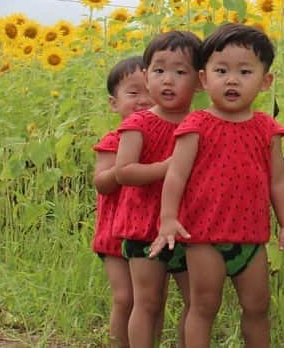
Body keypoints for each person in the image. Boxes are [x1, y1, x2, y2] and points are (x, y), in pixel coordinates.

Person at [150, 23, 284, 348]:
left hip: (252, 238)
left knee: (257, 307)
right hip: (205, 237)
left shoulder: (267, 129)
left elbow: (278, 181)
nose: (232, 79)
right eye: (221, 70)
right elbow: (176, 175)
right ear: (205, 78)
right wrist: (168, 218)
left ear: (265, 81)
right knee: (203, 307)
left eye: (245, 71)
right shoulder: (197, 124)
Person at [114, 30, 201, 348]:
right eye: (159, 70)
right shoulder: (138, 123)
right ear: (147, 76)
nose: (168, 80)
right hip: (143, 225)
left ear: (200, 80)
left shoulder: (202, 123)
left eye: (181, 72)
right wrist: (169, 167)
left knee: (199, 301)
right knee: (148, 300)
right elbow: (124, 172)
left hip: (190, 227)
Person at [93, 56, 154, 347]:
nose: (143, 100)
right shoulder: (113, 140)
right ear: (114, 103)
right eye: (133, 93)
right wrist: (124, 168)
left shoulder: (163, 138)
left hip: (148, 230)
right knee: (124, 297)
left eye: (149, 91)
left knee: (150, 299)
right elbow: (101, 183)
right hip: (114, 233)